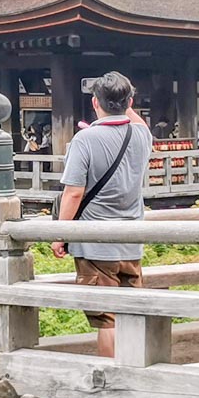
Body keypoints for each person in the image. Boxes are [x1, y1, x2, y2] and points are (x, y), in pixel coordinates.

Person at [50, 71, 152, 358]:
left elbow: (73, 193)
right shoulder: (141, 135)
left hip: (95, 243)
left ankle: (115, 383)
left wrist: (60, 235)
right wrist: (124, 101)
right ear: (130, 101)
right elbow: (137, 121)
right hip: (131, 241)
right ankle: (134, 374)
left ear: (95, 102)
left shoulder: (85, 139)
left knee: (107, 319)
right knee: (130, 314)